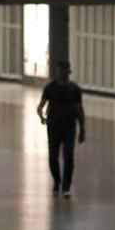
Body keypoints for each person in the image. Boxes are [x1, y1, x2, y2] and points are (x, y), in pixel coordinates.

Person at [37, 60, 86, 198]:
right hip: (53, 126)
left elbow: (79, 110)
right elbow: (41, 106)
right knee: (53, 156)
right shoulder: (50, 88)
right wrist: (41, 116)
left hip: (69, 126)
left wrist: (82, 129)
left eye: (64, 71)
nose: (61, 74)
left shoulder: (75, 89)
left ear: (68, 72)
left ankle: (66, 186)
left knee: (68, 156)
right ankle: (57, 180)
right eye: (60, 71)